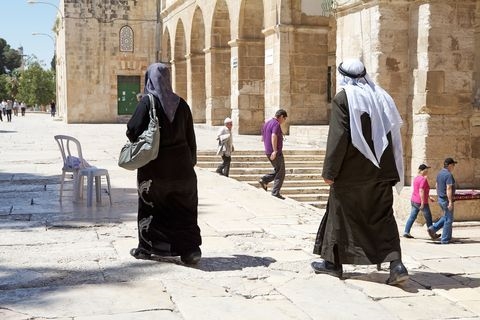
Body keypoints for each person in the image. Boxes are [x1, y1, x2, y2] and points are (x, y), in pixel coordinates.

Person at [311, 58, 408, 286]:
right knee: (383, 218)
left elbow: (338, 137)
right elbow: (394, 135)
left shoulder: (343, 98)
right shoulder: (383, 96)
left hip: (351, 174)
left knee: (339, 215)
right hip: (382, 172)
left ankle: (333, 264)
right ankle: (396, 265)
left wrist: (330, 171)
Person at [126, 62, 202, 264]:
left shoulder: (147, 102)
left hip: (155, 171)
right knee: (184, 209)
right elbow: (190, 138)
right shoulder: (182, 104)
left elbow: (132, 130)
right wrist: (189, 163)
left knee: (152, 208)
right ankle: (190, 250)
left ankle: (146, 248)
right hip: (182, 170)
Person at [403, 164, 439, 239]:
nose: (427, 171)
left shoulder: (416, 178)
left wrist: (429, 197)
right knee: (428, 218)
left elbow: (423, 190)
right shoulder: (423, 179)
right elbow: (421, 190)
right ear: (422, 170)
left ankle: (406, 232)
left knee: (412, 216)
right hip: (421, 202)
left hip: (414, 200)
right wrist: (423, 202)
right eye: (426, 169)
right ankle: (433, 234)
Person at [259, 109, 288, 200]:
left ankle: (265, 180)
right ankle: (275, 192)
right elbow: (274, 136)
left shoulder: (266, 123)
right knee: (281, 172)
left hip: (268, 151)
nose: (284, 121)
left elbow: (262, 138)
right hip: (275, 152)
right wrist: (275, 151)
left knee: (278, 170)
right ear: (282, 116)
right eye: (285, 119)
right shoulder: (276, 124)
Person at [427, 157, 457, 244]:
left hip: (441, 198)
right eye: (453, 165)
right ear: (450, 165)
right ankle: (445, 239)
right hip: (446, 200)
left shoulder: (440, 173)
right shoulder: (448, 175)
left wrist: (439, 195)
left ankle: (432, 229)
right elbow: (449, 188)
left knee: (446, 217)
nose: (454, 166)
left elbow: (436, 185)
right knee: (448, 220)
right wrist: (450, 201)